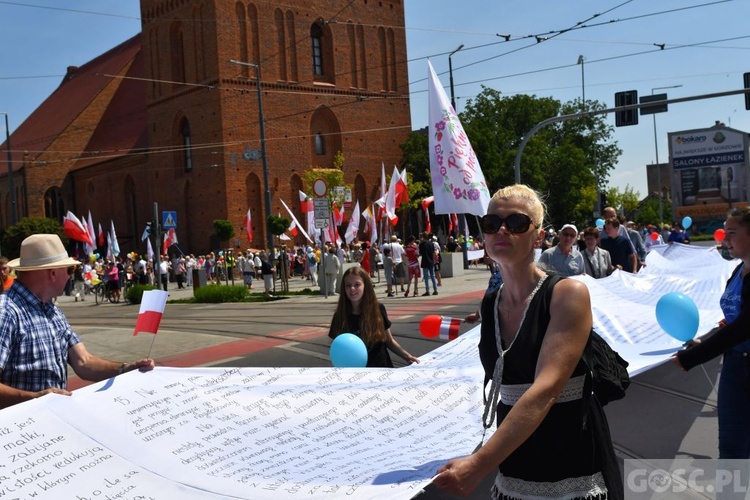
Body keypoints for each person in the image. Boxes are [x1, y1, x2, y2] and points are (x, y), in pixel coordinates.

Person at [434, 185, 620, 499]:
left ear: (538, 236)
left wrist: (479, 463)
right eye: (492, 224)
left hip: (570, 457)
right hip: (517, 463)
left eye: (517, 223)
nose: (501, 230)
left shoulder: (566, 294)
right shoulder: (492, 302)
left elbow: (546, 388)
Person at [0, 234, 155, 408]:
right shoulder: (6, 311)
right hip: (19, 430)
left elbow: (84, 362)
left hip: (51, 422)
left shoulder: (52, 311)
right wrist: (33, 398)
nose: (69, 277)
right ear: (52, 273)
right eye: (69, 270)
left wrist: (126, 369)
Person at [673, 207, 750, 458]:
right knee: (731, 448)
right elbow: (737, 321)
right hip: (735, 368)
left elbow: (743, 327)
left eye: (731, 232)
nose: (724, 239)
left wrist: (692, 357)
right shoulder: (738, 270)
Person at [328, 267, 419, 367]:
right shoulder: (339, 316)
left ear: (365, 286)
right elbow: (336, 348)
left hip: (382, 368)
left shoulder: (378, 309)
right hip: (355, 375)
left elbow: (389, 341)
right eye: (348, 285)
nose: (352, 289)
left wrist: (407, 356)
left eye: (357, 284)